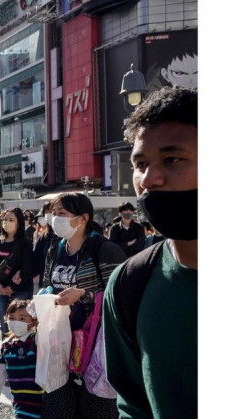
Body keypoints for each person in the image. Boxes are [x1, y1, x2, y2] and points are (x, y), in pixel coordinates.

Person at [103, 86, 198, 418]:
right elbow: (132, 404)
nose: (149, 178)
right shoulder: (130, 283)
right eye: (139, 163)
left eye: (173, 159)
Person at [39, 192, 126, 418]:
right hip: (60, 344)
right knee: (58, 407)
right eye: (54, 214)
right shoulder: (54, 249)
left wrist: (84, 295)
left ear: (83, 218)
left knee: (95, 408)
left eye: (62, 214)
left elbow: (121, 297)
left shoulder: (104, 249)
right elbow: (48, 285)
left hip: (95, 347)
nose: (56, 219)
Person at [0, 299, 44, 419]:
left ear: (33, 320)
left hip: (38, 398)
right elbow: (1, 370)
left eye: (22, 318)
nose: (16, 322)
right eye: (12, 318)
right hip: (18, 399)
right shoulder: (6, 345)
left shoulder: (34, 340)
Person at [0, 208, 36, 335]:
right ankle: (6, 351)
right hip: (1, 291)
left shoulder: (24, 243)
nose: (7, 222)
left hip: (21, 291)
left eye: (11, 220)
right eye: (5, 219)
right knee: (5, 327)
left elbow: (28, 268)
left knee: (21, 328)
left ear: (18, 223)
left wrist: (12, 287)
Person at [32, 206, 58, 295]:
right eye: (47, 212)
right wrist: (36, 274)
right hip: (45, 284)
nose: (48, 215)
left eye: (52, 212)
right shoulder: (44, 236)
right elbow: (35, 256)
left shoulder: (68, 236)